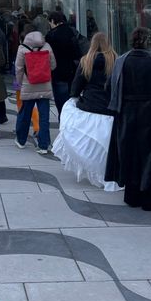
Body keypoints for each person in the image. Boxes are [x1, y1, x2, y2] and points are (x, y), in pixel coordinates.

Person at [105, 26, 151, 211]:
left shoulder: (122, 62)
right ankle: (150, 197)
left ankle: (132, 194)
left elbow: (109, 87)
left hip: (127, 113)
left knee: (130, 153)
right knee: (150, 154)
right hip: (150, 114)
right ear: (149, 43)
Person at [53, 32, 117, 187]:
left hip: (89, 107)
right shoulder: (116, 61)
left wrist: (75, 96)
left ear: (92, 44)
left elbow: (75, 88)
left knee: (91, 146)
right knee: (109, 147)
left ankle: (95, 171)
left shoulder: (86, 61)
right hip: (111, 109)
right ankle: (110, 173)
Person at [14, 29, 56, 154]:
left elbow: (19, 68)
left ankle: (21, 141)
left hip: (29, 86)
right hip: (44, 85)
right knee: (44, 117)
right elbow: (53, 65)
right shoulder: (47, 47)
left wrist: (20, 83)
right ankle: (43, 145)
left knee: (25, 114)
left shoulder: (22, 48)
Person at [45, 11, 79, 116]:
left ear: (52, 21)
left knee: (61, 102)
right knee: (71, 101)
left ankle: (63, 124)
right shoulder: (72, 31)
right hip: (72, 70)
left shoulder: (51, 35)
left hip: (58, 72)